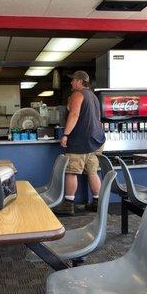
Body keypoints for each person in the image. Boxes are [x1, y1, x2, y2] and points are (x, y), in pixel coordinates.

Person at [53, 71, 106, 216]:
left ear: (80, 81)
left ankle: (68, 204)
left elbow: (74, 114)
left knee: (72, 171)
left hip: (81, 140)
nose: (71, 83)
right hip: (96, 140)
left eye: (73, 80)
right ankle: (97, 203)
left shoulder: (78, 94)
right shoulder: (94, 97)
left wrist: (66, 134)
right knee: (93, 172)